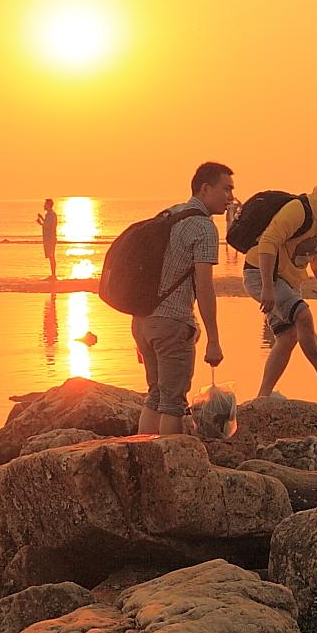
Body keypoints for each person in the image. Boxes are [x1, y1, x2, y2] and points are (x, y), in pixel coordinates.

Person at [243, 172, 317, 400]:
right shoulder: (300, 210)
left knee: (288, 337)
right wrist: (268, 287)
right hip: (261, 274)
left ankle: (262, 397)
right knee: (303, 315)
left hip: (288, 280)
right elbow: (268, 242)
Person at [134, 162, 234, 435]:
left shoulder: (169, 215)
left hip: (143, 321)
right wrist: (213, 340)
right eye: (226, 189)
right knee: (174, 404)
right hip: (172, 323)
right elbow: (204, 287)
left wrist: (142, 330)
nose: (231, 198)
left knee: (155, 395)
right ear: (205, 188)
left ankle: (143, 461)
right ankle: (168, 469)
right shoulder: (203, 227)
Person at [36, 198, 59, 281]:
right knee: (51, 256)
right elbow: (47, 224)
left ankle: (53, 275)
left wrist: (41, 223)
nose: (44, 206)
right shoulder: (49, 215)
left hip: (50, 239)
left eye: (45, 204)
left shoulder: (51, 215)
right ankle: (53, 275)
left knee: (51, 256)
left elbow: (49, 227)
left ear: (49, 205)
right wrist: (42, 219)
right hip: (49, 238)